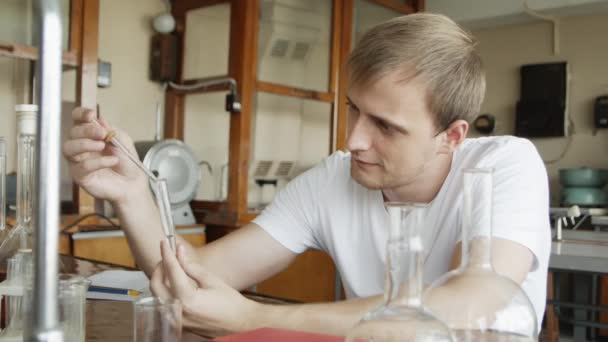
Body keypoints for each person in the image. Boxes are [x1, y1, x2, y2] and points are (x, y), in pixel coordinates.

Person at [63, 13, 550, 336]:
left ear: (452, 135)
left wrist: (254, 316)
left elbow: (467, 304)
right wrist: (131, 196)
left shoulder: (503, 165)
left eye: (385, 126)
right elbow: (190, 280)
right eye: (354, 110)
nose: (353, 140)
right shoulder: (334, 179)